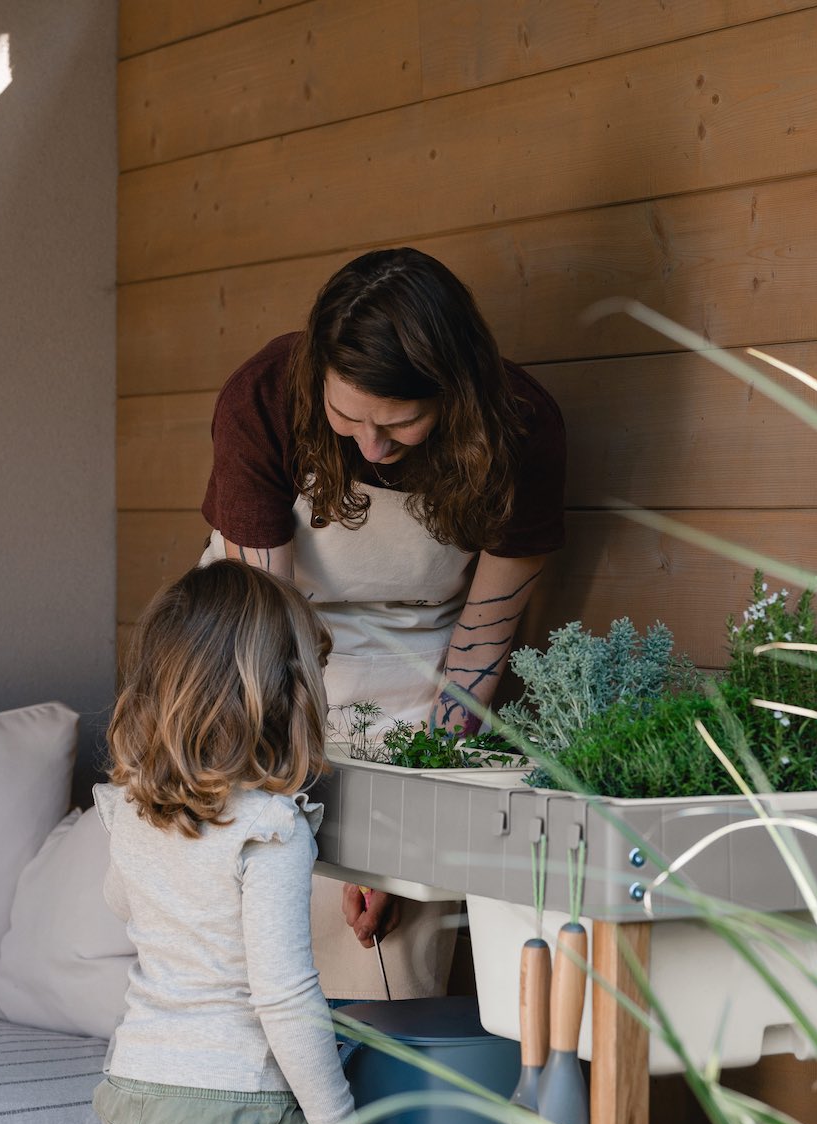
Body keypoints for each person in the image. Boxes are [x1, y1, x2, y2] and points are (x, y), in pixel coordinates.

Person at [201, 246, 567, 1002]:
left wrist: (397, 847)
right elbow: (268, 644)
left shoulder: (523, 431)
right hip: (266, 654)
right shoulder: (264, 397)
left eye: (401, 426)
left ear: (456, 397)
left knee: (388, 958)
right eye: (348, 418)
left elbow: (481, 642)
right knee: (254, 907)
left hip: (421, 671)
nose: (371, 448)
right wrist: (303, 828)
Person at [90, 560, 366, 1124]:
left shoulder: (136, 809)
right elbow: (281, 993)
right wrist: (335, 1120)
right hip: (225, 1118)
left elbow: (122, 901)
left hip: (134, 1098)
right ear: (285, 697)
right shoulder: (271, 832)